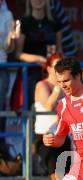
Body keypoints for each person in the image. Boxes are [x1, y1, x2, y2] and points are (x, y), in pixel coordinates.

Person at [33, 53, 71, 180]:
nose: (59, 71)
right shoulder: (41, 85)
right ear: (48, 68)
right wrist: (57, 88)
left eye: (62, 67)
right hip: (45, 136)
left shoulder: (67, 87)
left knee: (64, 178)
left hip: (63, 135)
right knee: (57, 177)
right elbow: (48, 106)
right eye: (57, 67)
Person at [16, 0, 62, 105]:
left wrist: (52, 62)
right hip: (30, 73)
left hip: (51, 73)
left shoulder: (54, 22)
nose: (38, 0)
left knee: (52, 106)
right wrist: (37, 59)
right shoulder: (24, 22)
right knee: (29, 108)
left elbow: (59, 50)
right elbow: (18, 54)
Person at [0, 0, 16, 157]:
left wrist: (11, 40)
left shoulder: (7, 14)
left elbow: (9, 48)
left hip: (1, 65)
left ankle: (2, 150)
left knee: (1, 109)